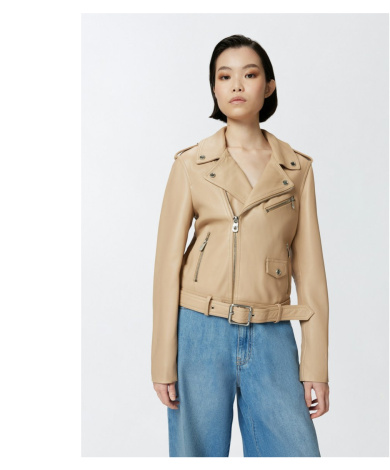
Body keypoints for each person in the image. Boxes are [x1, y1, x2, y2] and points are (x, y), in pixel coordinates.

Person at [151, 34, 330, 457]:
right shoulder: (191, 164)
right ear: (214, 88)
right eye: (224, 76)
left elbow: (311, 273)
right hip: (200, 332)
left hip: (272, 333)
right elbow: (166, 266)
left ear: (268, 86)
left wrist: (316, 366)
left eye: (249, 75)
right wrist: (162, 359)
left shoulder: (296, 169)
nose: (236, 85)